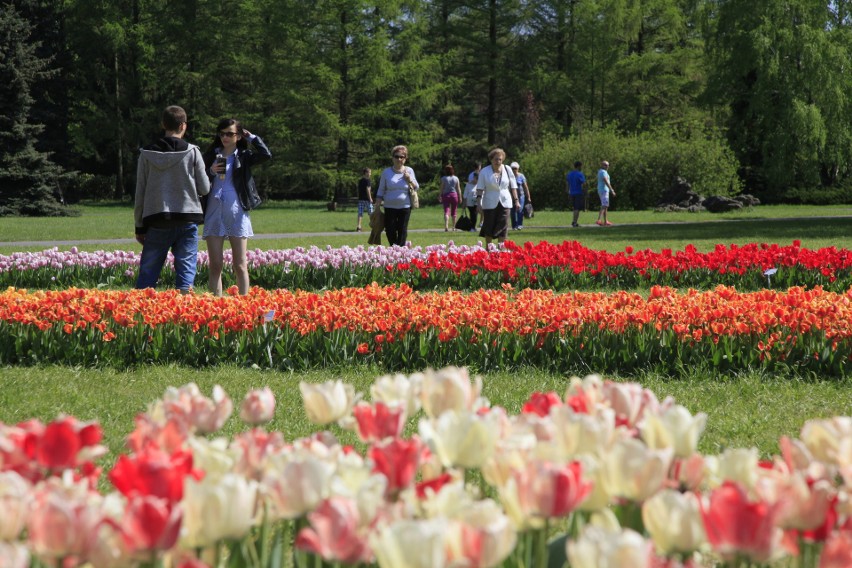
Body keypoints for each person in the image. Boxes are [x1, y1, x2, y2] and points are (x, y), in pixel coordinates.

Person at [134, 105, 210, 292]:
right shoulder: (192, 152)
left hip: (157, 218)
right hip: (187, 217)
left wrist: (139, 226)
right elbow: (205, 188)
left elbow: (140, 192)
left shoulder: (146, 154)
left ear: (163, 124)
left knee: (148, 273)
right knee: (185, 272)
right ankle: (183, 313)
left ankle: (141, 312)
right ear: (183, 125)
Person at [202, 118, 271, 295]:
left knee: (239, 264)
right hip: (214, 209)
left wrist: (253, 138)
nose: (225, 137)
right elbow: (197, 178)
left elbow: (265, 155)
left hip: (236, 209)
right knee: (215, 265)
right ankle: (214, 307)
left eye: (230, 134)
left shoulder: (244, 156)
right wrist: (210, 171)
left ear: (238, 136)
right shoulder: (211, 155)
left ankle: (243, 305)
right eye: (222, 133)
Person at [476, 148, 520, 247]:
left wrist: (516, 200)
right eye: (496, 159)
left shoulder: (508, 169)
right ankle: (489, 247)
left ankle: (501, 249)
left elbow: (513, 186)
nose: (498, 161)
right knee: (489, 226)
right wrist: (478, 203)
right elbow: (480, 189)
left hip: (505, 202)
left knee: (503, 225)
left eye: (500, 159)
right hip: (489, 202)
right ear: (491, 159)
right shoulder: (484, 171)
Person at [376, 145, 418, 246]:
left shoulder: (409, 171)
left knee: (402, 230)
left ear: (405, 158)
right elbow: (381, 189)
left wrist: (409, 179)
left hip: (405, 206)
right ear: (392, 158)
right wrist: (377, 205)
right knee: (390, 230)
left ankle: (401, 251)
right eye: (396, 156)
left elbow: (416, 187)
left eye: (402, 157)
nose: (399, 159)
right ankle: (394, 248)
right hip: (389, 206)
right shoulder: (386, 172)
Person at [439, 164, 461, 231]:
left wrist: (439, 195)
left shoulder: (443, 178)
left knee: (446, 210)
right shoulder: (456, 178)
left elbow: (441, 188)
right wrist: (460, 197)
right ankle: (454, 227)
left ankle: (446, 226)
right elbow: (458, 189)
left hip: (446, 195)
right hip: (454, 195)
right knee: (454, 211)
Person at [509, 162, 531, 230]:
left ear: (518, 169)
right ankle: (514, 226)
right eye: (512, 169)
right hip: (511, 197)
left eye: (515, 168)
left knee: (520, 210)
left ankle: (519, 224)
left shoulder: (521, 176)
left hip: (521, 196)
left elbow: (525, 187)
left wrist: (528, 196)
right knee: (512, 212)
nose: (514, 170)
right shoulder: (509, 176)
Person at [566, 161, 586, 227]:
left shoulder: (569, 174)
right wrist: (585, 191)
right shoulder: (580, 174)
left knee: (574, 208)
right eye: (581, 166)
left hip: (571, 193)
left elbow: (567, 184)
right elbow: (583, 183)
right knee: (577, 208)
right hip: (578, 193)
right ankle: (574, 222)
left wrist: (568, 192)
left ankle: (574, 221)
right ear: (579, 166)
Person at [596, 160, 616, 226]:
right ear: (602, 165)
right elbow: (606, 181)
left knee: (605, 206)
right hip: (604, 190)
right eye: (605, 165)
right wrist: (612, 190)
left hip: (602, 190)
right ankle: (599, 220)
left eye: (608, 165)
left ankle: (605, 221)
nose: (607, 166)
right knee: (604, 205)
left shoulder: (601, 171)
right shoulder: (603, 172)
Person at [463, 163, 481, 231]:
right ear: (473, 178)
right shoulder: (468, 185)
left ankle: (473, 226)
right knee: (472, 214)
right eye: (475, 179)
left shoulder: (479, 185)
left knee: (475, 214)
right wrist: (464, 203)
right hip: (470, 202)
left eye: (477, 179)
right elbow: (465, 194)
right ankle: (472, 227)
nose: (476, 181)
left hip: (476, 202)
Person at [356, 167, 373, 232]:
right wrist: (370, 198)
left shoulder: (360, 181)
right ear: (366, 173)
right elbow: (368, 190)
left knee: (360, 213)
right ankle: (373, 225)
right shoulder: (368, 181)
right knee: (371, 213)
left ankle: (359, 226)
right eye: (369, 172)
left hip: (360, 199)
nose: (370, 174)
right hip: (367, 200)